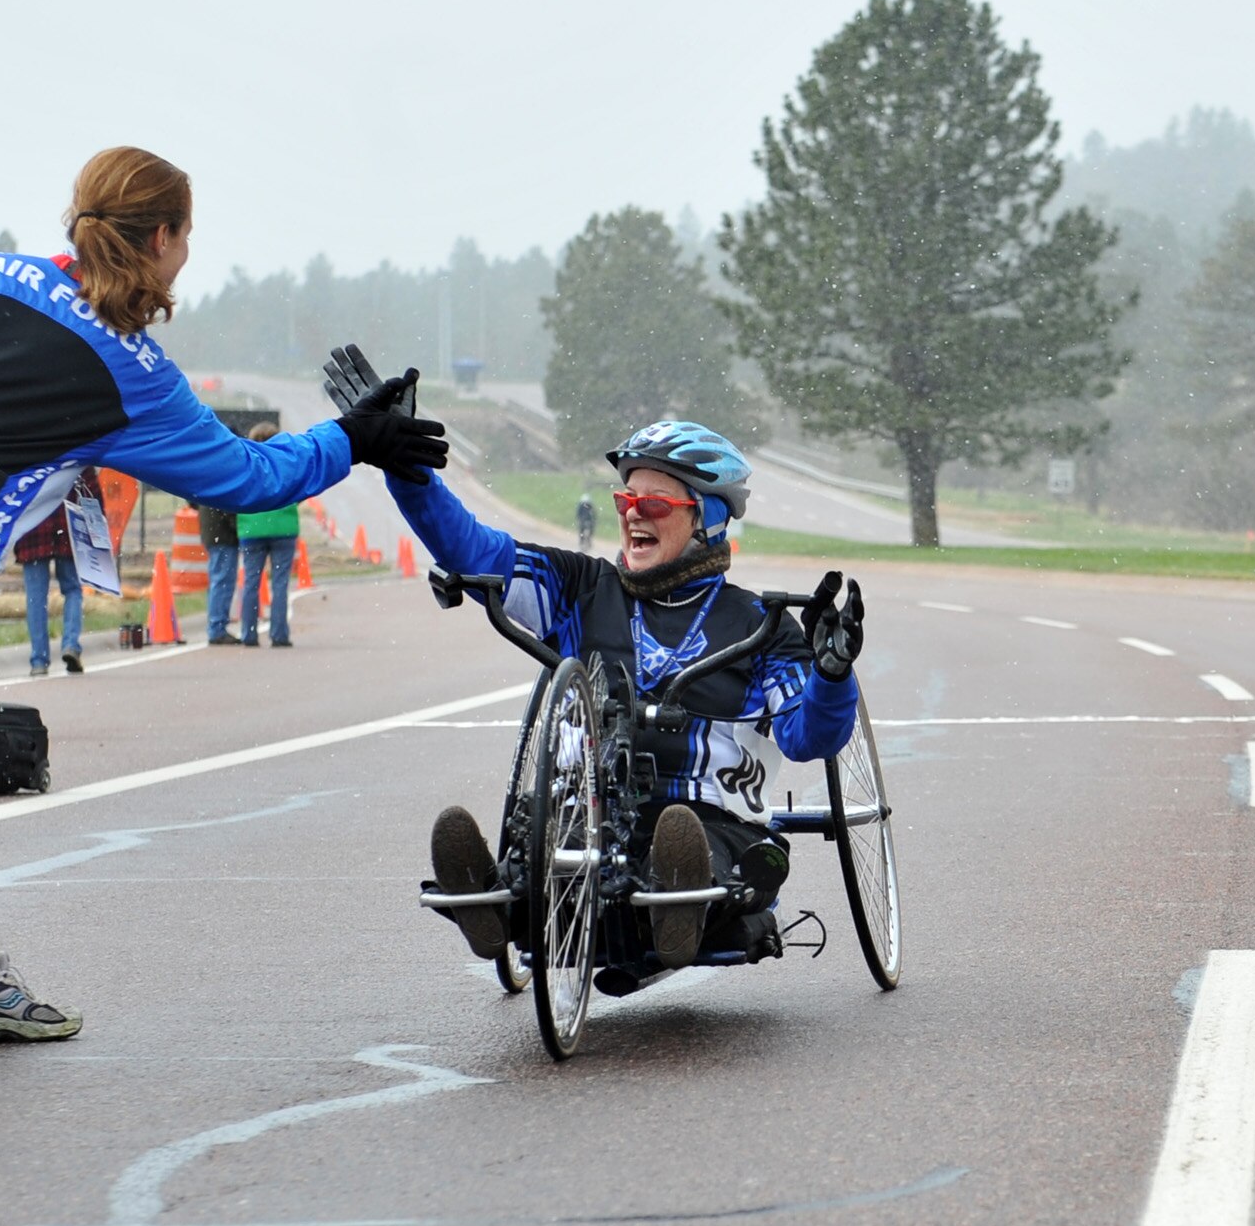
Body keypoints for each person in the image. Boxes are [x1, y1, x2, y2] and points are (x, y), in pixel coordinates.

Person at [0, 148, 448, 1076]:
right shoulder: (132, 370)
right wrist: (356, 437)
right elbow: (249, 474)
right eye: (187, 236)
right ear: (165, 238)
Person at [326, 347, 864, 977]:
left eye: (656, 505)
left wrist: (832, 676)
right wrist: (405, 469)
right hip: (593, 816)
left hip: (715, 823)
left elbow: (809, 739)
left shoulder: (762, 628)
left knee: (694, 844)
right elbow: (473, 548)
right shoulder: (581, 587)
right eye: (625, 501)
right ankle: (501, 902)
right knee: (552, 847)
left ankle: (678, 904)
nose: (634, 514)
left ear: (708, 520)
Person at [13, 466, 100, 676]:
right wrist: (97, 531)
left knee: (35, 598)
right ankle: (70, 645)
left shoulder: (26, 452)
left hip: (32, 530)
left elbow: (14, 490)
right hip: (69, 527)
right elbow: (90, 490)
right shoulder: (75, 445)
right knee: (72, 590)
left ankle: (39, 660)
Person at [236, 422, 299, 647]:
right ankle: (279, 634)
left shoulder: (245, 462)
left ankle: (248, 634)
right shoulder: (286, 462)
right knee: (280, 584)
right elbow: (299, 488)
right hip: (284, 526)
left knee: (251, 582)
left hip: (251, 527)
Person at [199, 500, 241, 645]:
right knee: (223, 581)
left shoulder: (203, 479)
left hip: (212, 529)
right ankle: (217, 628)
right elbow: (227, 503)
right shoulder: (220, 481)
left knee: (217, 581)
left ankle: (216, 625)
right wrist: (238, 527)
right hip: (223, 532)